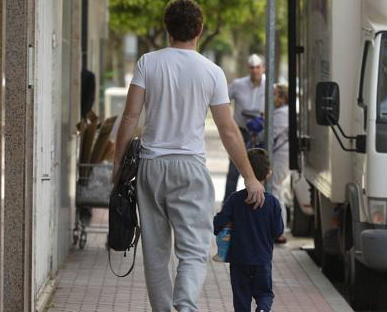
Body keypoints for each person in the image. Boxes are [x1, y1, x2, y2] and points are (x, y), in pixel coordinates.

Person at [113, 1, 265, 311]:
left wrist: (117, 166)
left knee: (155, 254)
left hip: (151, 166)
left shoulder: (147, 62)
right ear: (200, 30)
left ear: (167, 28)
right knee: (194, 249)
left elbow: (130, 117)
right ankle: (185, 306)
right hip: (190, 168)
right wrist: (250, 177)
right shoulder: (212, 71)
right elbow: (228, 130)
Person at [214, 148, 284, 312]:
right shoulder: (272, 203)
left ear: (244, 173)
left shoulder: (235, 200)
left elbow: (217, 225)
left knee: (241, 298)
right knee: (264, 294)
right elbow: (278, 231)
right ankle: (262, 310)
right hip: (262, 260)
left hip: (239, 260)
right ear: (268, 174)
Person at [224, 54, 266, 202]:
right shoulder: (238, 84)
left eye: (258, 67)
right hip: (241, 132)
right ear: (248, 68)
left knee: (260, 170)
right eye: (252, 67)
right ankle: (227, 205)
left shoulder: (269, 85)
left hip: (261, 134)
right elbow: (222, 100)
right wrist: (229, 120)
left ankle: (258, 203)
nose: (255, 70)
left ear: (263, 68)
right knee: (234, 170)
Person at [271, 84, 290, 244]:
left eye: (275, 95)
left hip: (280, 156)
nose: (272, 98)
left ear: (282, 98)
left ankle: (279, 230)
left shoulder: (281, 114)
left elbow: (270, 134)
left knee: (275, 190)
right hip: (282, 155)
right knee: (278, 190)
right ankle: (278, 229)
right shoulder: (283, 112)